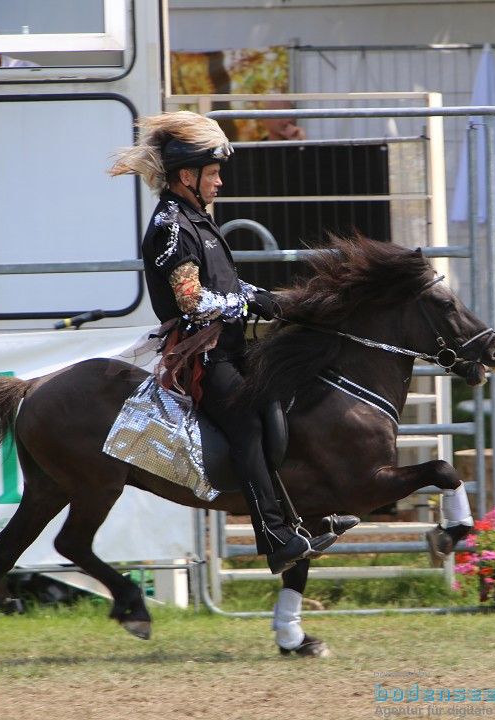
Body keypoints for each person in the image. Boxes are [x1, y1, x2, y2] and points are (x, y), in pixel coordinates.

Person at [109, 111, 352, 574]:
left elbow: (224, 288)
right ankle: (277, 538)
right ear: (187, 176)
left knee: (278, 409)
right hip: (202, 356)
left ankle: (296, 520)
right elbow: (192, 301)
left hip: (232, 347)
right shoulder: (174, 226)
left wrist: (263, 298)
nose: (220, 183)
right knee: (245, 425)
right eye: (214, 173)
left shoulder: (197, 219)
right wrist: (248, 303)